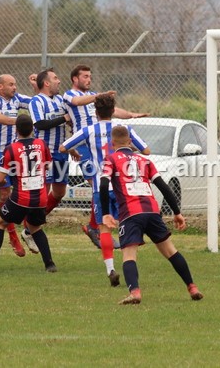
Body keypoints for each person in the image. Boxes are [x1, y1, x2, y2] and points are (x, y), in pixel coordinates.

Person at [99, 125, 203, 304]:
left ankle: (136, 293)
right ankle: (192, 287)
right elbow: (163, 186)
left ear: (112, 143)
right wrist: (177, 212)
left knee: (129, 255)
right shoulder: (145, 161)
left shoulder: (111, 159)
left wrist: (106, 213)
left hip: (130, 214)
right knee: (171, 251)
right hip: (152, 211)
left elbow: (103, 184)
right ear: (130, 142)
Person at [60, 93, 150, 286]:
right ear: (113, 110)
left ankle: (110, 270)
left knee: (103, 228)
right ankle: (130, 265)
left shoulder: (88, 130)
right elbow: (146, 151)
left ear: (95, 111)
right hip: (122, 186)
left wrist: (74, 151)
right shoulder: (123, 129)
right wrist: (129, 148)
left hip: (99, 185)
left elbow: (62, 147)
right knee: (127, 224)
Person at [62, 64, 149, 247]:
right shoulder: (70, 95)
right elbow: (78, 103)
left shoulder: (94, 97)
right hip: (85, 144)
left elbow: (114, 111)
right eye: (85, 76)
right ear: (75, 79)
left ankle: (102, 224)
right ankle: (98, 225)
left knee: (110, 180)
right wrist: (99, 97)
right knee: (97, 182)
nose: (89, 79)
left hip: (102, 140)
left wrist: (132, 115)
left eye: (90, 76)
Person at [0, 114, 57, 274]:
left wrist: (9, 177)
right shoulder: (42, 144)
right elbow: (48, 166)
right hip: (41, 198)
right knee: (35, 227)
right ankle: (50, 264)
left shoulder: (11, 149)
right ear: (32, 129)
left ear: (16, 130)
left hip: (20, 198)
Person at [0, 73, 34, 257]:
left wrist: (36, 86)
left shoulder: (17, 99)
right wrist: (21, 122)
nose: (15, 87)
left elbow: (36, 102)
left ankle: (29, 228)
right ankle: (12, 234)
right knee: (5, 193)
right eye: (11, 84)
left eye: (15, 84)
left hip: (16, 152)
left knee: (23, 190)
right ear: (0, 87)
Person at [26, 68, 71, 250]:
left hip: (61, 153)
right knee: (41, 197)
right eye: (55, 78)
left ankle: (30, 227)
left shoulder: (60, 100)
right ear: (46, 83)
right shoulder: (36, 101)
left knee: (59, 193)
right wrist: (64, 118)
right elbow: (41, 124)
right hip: (44, 155)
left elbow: (70, 119)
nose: (59, 81)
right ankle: (32, 229)